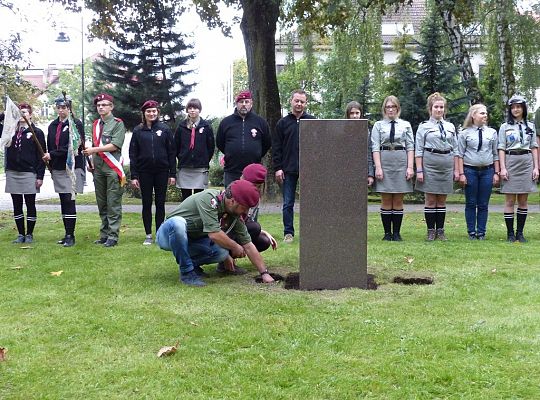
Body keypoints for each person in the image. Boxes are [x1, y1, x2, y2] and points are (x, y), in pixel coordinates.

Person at [155, 180, 275, 286]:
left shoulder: (233, 213)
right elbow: (214, 234)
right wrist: (235, 246)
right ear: (233, 201)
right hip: (168, 235)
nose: (246, 212)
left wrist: (264, 273)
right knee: (178, 223)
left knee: (222, 253)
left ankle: (193, 266)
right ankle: (187, 273)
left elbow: (248, 244)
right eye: (244, 208)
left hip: (192, 240)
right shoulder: (209, 198)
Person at [215, 163, 278, 275]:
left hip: (237, 228)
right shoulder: (233, 194)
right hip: (222, 231)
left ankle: (231, 258)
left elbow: (245, 220)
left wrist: (264, 232)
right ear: (243, 178)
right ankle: (224, 261)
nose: (255, 189)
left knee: (263, 240)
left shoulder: (251, 196)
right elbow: (220, 227)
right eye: (254, 184)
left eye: (258, 186)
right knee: (254, 228)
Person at [129, 100, 176, 245]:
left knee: (160, 203)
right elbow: (133, 154)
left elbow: (171, 152)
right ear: (144, 113)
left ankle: (159, 233)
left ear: (158, 113)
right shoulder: (138, 131)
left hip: (162, 171)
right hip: (144, 172)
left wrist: (172, 174)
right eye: (149, 111)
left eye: (154, 111)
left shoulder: (165, 129)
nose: (151, 113)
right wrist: (134, 176)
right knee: (147, 203)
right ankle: (148, 234)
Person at [273, 89, 316, 243]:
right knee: (288, 203)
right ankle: (288, 233)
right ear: (291, 101)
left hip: (309, 170)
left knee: (310, 202)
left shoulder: (313, 121)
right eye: (296, 100)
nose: (299, 104)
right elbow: (276, 148)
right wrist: (278, 167)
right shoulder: (282, 123)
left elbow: (318, 146)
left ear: (306, 103)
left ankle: (311, 232)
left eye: (302, 101)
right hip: (288, 169)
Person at [83, 93, 126, 247]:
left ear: (111, 107)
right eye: (99, 105)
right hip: (98, 168)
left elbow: (115, 145)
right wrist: (92, 162)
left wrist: (94, 150)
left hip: (112, 168)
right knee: (102, 203)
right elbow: (96, 145)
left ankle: (113, 236)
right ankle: (104, 234)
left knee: (113, 202)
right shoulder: (95, 124)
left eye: (104, 105)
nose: (101, 107)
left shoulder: (117, 123)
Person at [414, 92, 459, 241]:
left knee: (441, 200)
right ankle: (430, 231)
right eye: (436, 107)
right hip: (430, 163)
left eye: (441, 107)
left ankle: (440, 230)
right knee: (430, 200)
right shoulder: (424, 127)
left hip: (446, 163)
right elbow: (418, 150)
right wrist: (419, 170)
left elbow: (456, 149)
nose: (439, 110)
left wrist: (457, 169)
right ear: (430, 109)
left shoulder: (450, 126)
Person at [42, 95, 85, 247]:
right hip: (58, 167)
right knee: (63, 200)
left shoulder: (76, 124)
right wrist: (51, 159)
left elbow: (73, 146)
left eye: (64, 107)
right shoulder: (52, 125)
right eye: (59, 107)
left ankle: (71, 235)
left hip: (72, 167)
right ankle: (66, 233)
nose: (61, 110)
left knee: (69, 199)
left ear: (69, 108)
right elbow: (50, 145)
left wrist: (51, 154)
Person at [371, 95, 414, 241]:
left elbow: (410, 147)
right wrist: (378, 167)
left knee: (398, 200)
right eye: (388, 107)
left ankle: (396, 233)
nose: (390, 109)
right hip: (384, 160)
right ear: (384, 109)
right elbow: (375, 147)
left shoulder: (406, 125)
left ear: (397, 108)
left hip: (401, 160)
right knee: (386, 198)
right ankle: (386, 233)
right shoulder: (378, 125)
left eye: (393, 106)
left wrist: (410, 167)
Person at [2, 103, 46, 243]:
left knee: (30, 203)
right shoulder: (9, 131)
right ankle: (20, 234)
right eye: (20, 112)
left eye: (25, 112)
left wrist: (40, 176)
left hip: (29, 172)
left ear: (31, 115)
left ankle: (29, 234)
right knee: (16, 204)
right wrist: (5, 114)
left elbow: (42, 156)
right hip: (13, 172)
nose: (23, 115)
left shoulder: (36, 132)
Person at [498, 94, 539, 242]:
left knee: (523, 200)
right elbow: (501, 148)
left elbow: (534, 147)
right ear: (510, 109)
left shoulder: (531, 126)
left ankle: (520, 233)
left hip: (526, 162)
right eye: (513, 107)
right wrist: (503, 168)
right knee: (509, 200)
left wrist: (536, 167)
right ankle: (510, 234)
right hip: (511, 161)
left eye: (518, 107)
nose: (516, 109)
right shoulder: (505, 127)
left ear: (523, 109)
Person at [457, 104, 500, 240]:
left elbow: (495, 154)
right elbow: (459, 155)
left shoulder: (492, 132)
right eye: (482, 113)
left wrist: (496, 172)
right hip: (470, 171)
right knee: (470, 202)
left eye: (486, 113)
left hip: (487, 171)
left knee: (483, 204)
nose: (485, 116)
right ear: (473, 115)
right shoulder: (464, 133)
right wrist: (461, 173)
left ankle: (481, 232)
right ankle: (471, 232)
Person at [216, 90, 271, 187]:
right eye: (241, 102)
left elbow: (267, 143)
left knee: (251, 200)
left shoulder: (260, 122)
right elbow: (220, 143)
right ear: (236, 104)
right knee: (231, 199)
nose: (244, 104)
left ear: (251, 103)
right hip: (231, 170)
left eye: (247, 102)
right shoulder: (226, 122)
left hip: (253, 171)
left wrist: (256, 154)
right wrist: (231, 153)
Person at [175, 98, 215, 200]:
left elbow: (210, 147)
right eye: (190, 108)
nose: (192, 110)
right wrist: (182, 157)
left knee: (199, 198)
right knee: (186, 198)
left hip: (200, 167)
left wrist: (204, 159)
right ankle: (185, 216)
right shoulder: (181, 127)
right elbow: (176, 146)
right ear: (187, 110)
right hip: (185, 166)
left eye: (195, 108)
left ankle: (197, 216)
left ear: (200, 110)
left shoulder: (206, 127)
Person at [345, 101, 374, 187]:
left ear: (360, 114)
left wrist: (370, 174)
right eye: (352, 113)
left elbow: (368, 153)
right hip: (344, 170)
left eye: (357, 113)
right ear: (347, 114)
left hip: (360, 171)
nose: (354, 116)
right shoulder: (341, 130)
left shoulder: (366, 131)